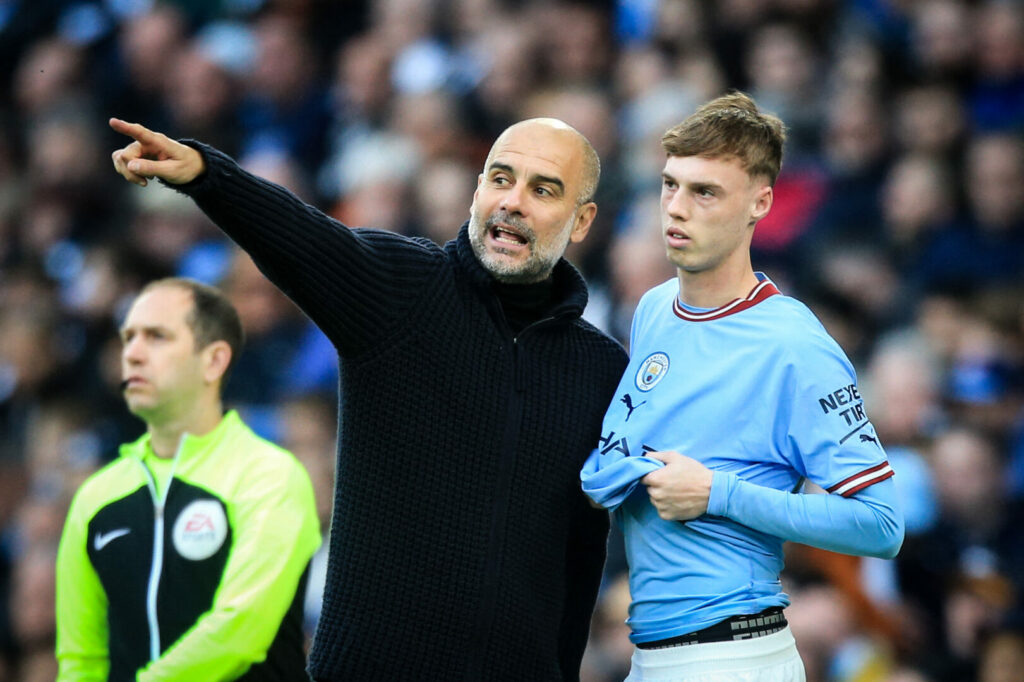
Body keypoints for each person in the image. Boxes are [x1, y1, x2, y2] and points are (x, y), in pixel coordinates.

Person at [108, 116, 629, 681]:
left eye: (543, 189)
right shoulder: (405, 290)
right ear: (477, 190)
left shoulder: (600, 369)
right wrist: (206, 174)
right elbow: (301, 240)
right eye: (501, 179)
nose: (513, 202)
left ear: (582, 221)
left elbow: (579, 557)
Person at [581, 92, 905, 681]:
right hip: (650, 655)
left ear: (761, 202)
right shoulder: (653, 309)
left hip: (733, 654)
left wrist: (720, 494)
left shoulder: (793, 345)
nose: (676, 208)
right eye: (670, 184)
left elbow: (882, 526)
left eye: (705, 192)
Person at [55, 278, 321, 681]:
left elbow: (239, 632)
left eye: (157, 337)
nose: (133, 355)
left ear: (213, 361)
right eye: (128, 338)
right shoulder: (97, 495)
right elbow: (81, 658)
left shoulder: (270, 476)